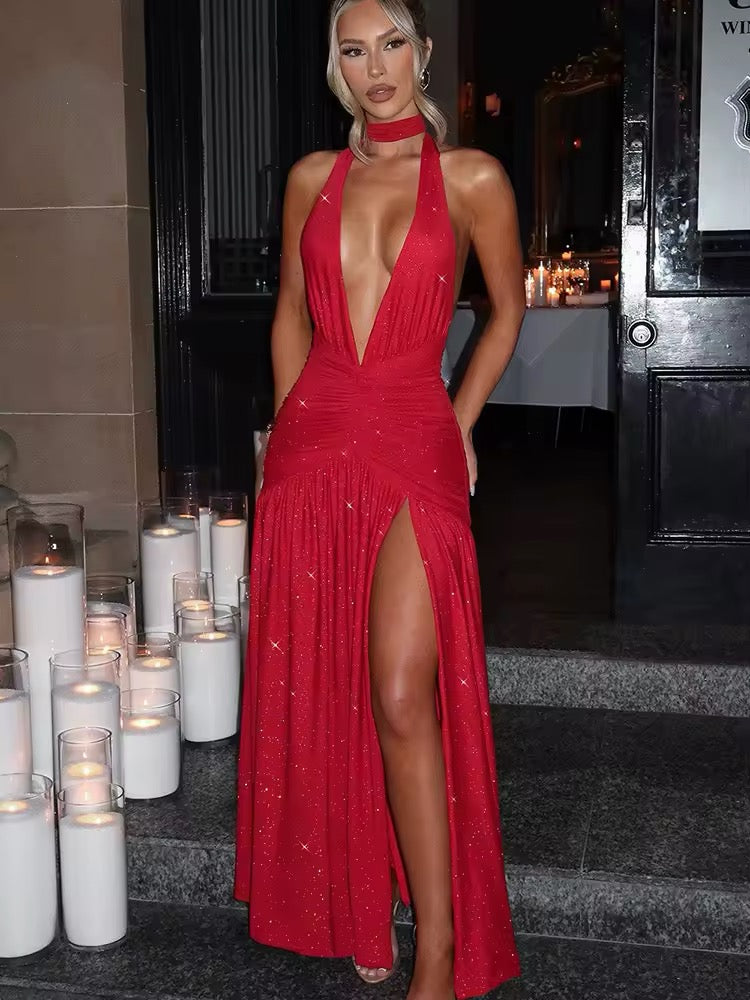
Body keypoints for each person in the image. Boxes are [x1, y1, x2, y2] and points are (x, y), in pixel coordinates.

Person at [235, 1, 525, 997]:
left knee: (401, 688)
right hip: (314, 441)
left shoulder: (474, 178)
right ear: (338, 68)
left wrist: (462, 418)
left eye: (392, 44)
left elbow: (506, 310)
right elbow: (289, 314)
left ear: (423, 52)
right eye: (354, 51)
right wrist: (284, 435)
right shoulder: (311, 179)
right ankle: (362, 902)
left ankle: (437, 943)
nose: (376, 67)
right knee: (330, 674)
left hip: (413, 433)